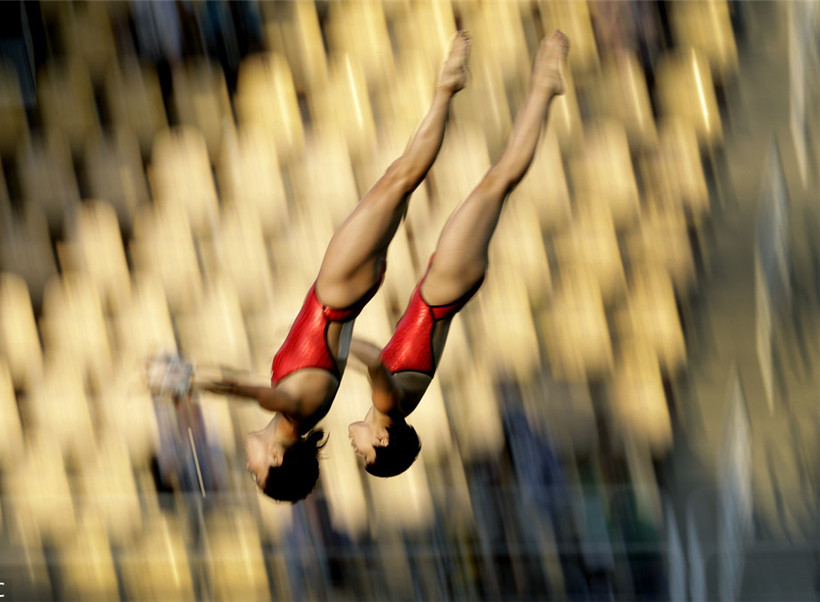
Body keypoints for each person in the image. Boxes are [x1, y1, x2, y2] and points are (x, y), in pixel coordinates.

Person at [190, 31, 472, 502]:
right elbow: (261, 393)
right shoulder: (297, 413)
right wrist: (205, 383)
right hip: (338, 291)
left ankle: (447, 88)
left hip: (340, 289)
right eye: (256, 472)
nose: (249, 464)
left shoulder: (299, 416)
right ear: (278, 459)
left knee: (398, 179)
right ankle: (448, 87)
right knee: (401, 178)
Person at [348, 30, 570, 477]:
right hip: (444, 286)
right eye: (365, 453)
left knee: (498, 180)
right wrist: (330, 344)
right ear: (383, 438)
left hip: (444, 286)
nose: (356, 447)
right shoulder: (389, 404)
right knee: (499, 178)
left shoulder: (395, 401)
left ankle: (510, 87)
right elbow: (372, 359)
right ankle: (544, 87)